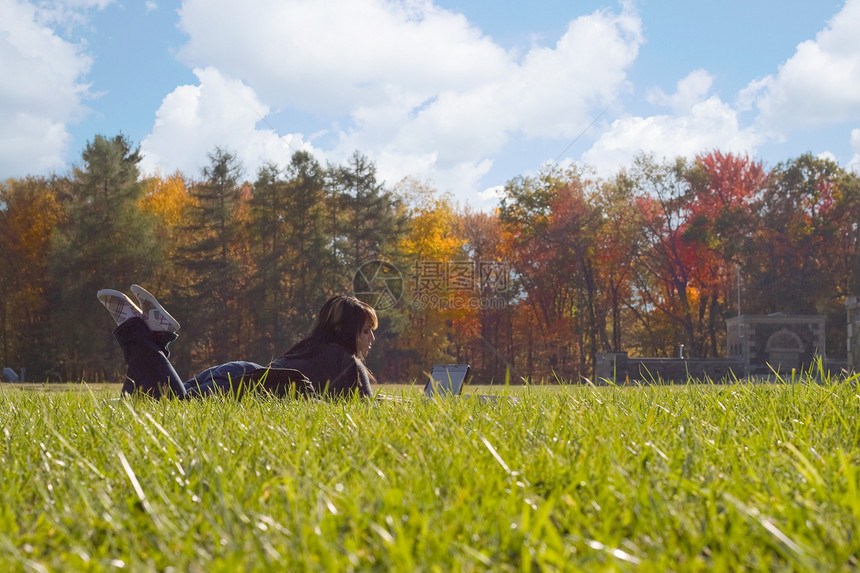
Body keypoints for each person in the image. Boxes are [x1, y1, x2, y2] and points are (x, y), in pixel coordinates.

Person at [97, 285, 377, 400]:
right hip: (251, 386)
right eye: (366, 331)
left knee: (159, 397)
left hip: (240, 371)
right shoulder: (349, 364)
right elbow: (365, 410)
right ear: (345, 330)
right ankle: (137, 330)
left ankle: (157, 333)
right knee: (173, 402)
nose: (371, 338)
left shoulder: (311, 347)